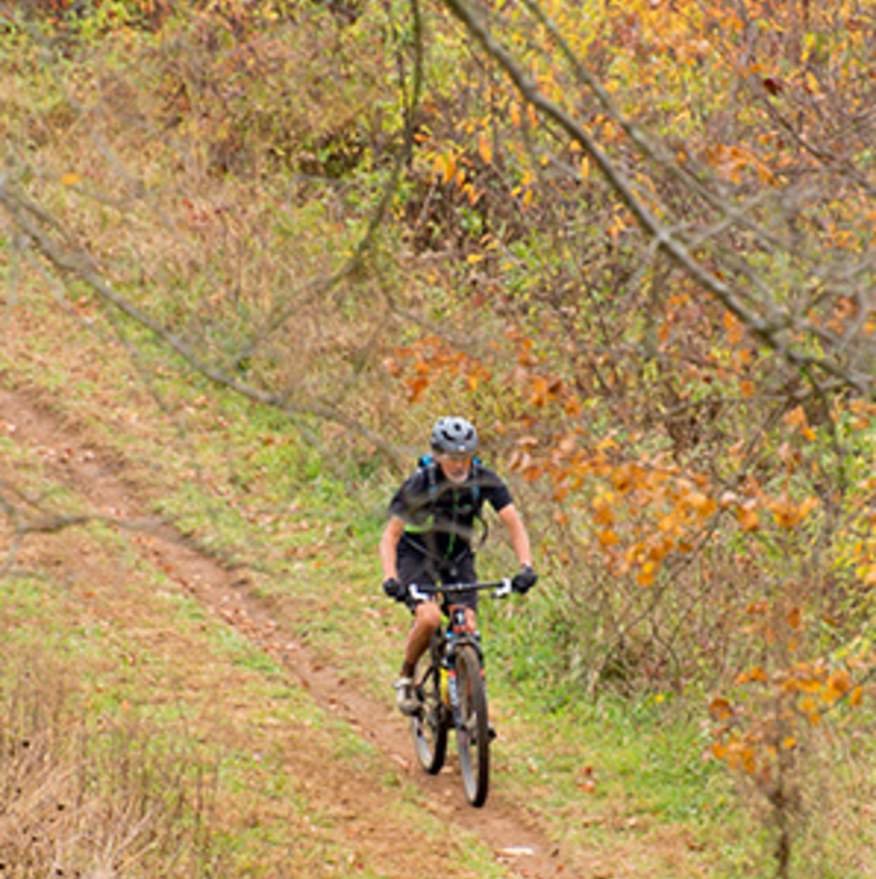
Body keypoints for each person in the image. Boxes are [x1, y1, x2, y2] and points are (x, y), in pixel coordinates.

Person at [379, 415, 538, 715]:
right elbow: (390, 535)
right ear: (438, 456)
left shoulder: (484, 479)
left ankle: (469, 711)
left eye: (465, 456)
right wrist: (391, 578)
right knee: (429, 619)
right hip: (417, 556)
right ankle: (406, 676)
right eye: (452, 457)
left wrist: (525, 566)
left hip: (458, 558)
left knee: (468, 626)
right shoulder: (421, 483)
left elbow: (514, 524)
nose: (459, 464)